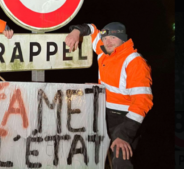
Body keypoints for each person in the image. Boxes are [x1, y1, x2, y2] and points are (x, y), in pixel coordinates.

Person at [65, 22, 153, 168]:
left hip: (125, 119)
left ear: (123, 39)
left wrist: (124, 135)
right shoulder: (104, 51)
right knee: (88, 155)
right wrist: (75, 32)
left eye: (113, 37)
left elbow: (142, 102)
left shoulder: (134, 62)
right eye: (105, 38)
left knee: (120, 158)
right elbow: (91, 29)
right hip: (103, 115)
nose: (108, 41)